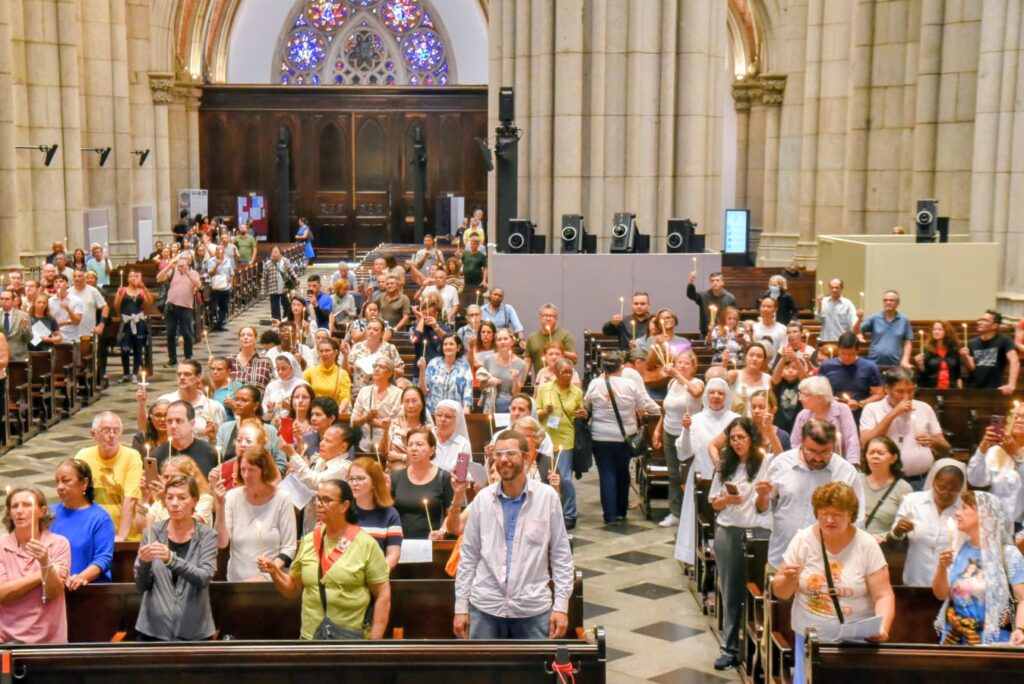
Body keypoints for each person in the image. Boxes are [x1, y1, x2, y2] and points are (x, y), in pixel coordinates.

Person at [453, 429, 573, 640]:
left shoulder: (547, 498)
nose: (503, 460)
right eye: (498, 454)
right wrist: (461, 606)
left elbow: (561, 556)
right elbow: (469, 556)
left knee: (534, 672)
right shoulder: (483, 499)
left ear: (526, 458)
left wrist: (561, 606)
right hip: (486, 606)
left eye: (510, 453)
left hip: (532, 607)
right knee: (484, 672)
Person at [772, 482, 894, 683]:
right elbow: (781, 593)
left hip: (856, 641)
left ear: (850, 515)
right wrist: (788, 579)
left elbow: (883, 595)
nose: (829, 520)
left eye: (837, 514)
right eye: (823, 513)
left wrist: (883, 628)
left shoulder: (866, 544)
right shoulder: (802, 540)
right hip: (811, 639)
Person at [264, 479, 390, 640]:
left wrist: (374, 643)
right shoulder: (309, 541)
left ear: (344, 506)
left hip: (350, 641)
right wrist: (275, 573)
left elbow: (383, 595)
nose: (319, 504)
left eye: (327, 500)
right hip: (310, 639)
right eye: (318, 498)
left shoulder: (366, 544)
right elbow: (294, 589)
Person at [710, 417, 772, 670]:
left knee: (758, 590)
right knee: (731, 590)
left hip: (758, 531)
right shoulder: (726, 463)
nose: (736, 442)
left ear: (752, 438)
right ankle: (730, 647)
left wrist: (763, 496)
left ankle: (761, 646)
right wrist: (726, 500)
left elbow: (764, 507)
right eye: (732, 438)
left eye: (741, 437)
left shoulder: (765, 463)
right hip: (730, 531)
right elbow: (713, 502)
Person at [765, 419, 866, 566]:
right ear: (801, 441)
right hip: (781, 557)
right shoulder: (781, 464)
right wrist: (762, 496)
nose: (818, 458)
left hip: (828, 564)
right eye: (811, 451)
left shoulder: (845, 472)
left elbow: (857, 519)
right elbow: (763, 509)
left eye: (825, 452)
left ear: (834, 445)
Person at [933, 490, 1024, 645]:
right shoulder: (957, 548)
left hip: (991, 641)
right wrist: (941, 568)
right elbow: (941, 595)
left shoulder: (1008, 554)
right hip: (954, 637)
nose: (957, 513)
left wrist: (1021, 629)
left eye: (965, 508)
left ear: (984, 515)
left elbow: (1022, 598)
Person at [134, 475, 218, 641]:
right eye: (170, 497)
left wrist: (171, 560)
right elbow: (141, 585)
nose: (174, 503)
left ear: (194, 501)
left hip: (194, 632)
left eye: (182, 497)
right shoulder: (152, 532)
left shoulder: (208, 535)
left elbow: (204, 578)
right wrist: (143, 563)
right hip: (152, 631)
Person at [585, 351, 660, 524]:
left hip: (600, 436)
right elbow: (644, 404)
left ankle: (610, 515)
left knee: (606, 473)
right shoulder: (630, 385)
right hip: (625, 436)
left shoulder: (595, 384)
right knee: (623, 471)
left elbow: (587, 404)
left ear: (603, 367)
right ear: (621, 367)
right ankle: (621, 511)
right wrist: (659, 410)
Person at [673, 377, 739, 569]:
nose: (716, 396)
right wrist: (685, 431)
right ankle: (693, 554)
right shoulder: (696, 419)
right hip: (701, 474)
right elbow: (684, 452)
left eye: (720, 393)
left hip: (729, 477)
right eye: (712, 392)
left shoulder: (735, 420)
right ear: (706, 396)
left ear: (726, 396)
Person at [212, 445, 297, 582]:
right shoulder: (232, 497)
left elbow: (289, 548)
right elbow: (221, 542)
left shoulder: (282, 499)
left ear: (264, 470)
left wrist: (268, 574)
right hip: (237, 583)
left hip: (272, 583)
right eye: (243, 469)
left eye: (251, 470)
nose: (246, 475)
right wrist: (220, 505)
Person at [0, 487, 71, 643]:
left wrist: (45, 562)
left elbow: (53, 593)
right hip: (6, 640)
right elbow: (3, 594)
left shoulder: (59, 543)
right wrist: (42, 573)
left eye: (26, 505)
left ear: (42, 511)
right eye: (15, 506)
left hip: (48, 641)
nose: (19, 511)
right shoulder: (1, 546)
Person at [859, 368, 949, 490]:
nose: (906, 397)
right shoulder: (872, 409)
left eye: (911, 391)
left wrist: (933, 442)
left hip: (921, 480)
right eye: (899, 391)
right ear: (887, 389)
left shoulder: (925, 408)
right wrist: (893, 414)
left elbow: (945, 448)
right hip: (887, 482)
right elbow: (865, 442)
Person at [646, 351, 704, 528]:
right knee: (673, 474)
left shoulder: (696, 382)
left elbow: (696, 393)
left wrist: (678, 376)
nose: (682, 366)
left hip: (689, 434)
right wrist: (657, 430)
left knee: (687, 473)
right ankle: (676, 512)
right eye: (679, 362)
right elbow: (667, 409)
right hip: (670, 432)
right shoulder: (671, 383)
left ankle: (693, 511)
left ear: (693, 367)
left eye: (687, 363)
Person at [891, 458, 966, 586]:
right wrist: (899, 529)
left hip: (951, 582)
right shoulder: (912, 501)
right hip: (916, 577)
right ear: (933, 483)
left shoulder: (965, 509)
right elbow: (895, 534)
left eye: (953, 490)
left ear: (960, 490)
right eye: (941, 487)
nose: (946, 493)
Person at [74, 412, 142, 542]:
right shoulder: (83, 456)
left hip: (124, 533)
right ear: (93, 434)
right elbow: (77, 496)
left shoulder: (131, 456)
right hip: (92, 532)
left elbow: (130, 499)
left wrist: (122, 536)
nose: (111, 436)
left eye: (116, 431)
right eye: (106, 431)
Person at [536, 358, 588, 528]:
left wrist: (583, 413)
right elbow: (536, 413)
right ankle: (547, 511)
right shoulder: (545, 389)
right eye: (564, 372)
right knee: (546, 477)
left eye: (570, 372)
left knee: (564, 477)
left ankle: (569, 513)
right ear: (556, 373)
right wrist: (545, 411)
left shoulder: (577, 392)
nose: (568, 375)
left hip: (566, 437)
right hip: (547, 438)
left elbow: (582, 412)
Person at [50, 460, 115, 587]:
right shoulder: (50, 514)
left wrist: (81, 577)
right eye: (57, 482)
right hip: (54, 587)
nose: (60, 487)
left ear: (84, 483)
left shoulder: (100, 518)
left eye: (66, 480)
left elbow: (103, 558)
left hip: (87, 589)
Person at [390, 427, 459, 539]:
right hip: (400, 543)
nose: (413, 448)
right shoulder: (396, 477)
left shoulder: (444, 477)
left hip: (432, 543)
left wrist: (442, 531)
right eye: (410, 444)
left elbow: (450, 514)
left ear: (432, 450)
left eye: (419, 444)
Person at [967, 405, 1024, 526]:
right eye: (1016, 416)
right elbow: (976, 481)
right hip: (996, 520)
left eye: (1023, 417)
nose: (1019, 420)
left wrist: (1016, 456)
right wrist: (983, 448)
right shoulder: (996, 451)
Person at [347, 457, 403, 571]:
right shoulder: (343, 511)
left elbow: (393, 554)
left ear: (374, 482)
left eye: (360, 478)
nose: (354, 483)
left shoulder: (390, 514)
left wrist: (377, 575)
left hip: (376, 578)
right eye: (351, 478)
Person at [789, 376, 861, 463]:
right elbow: (794, 444)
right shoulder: (803, 415)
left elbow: (851, 439)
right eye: (800, 395)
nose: (800, 399)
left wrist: (852, 464)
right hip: (810, 465)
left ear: (820, 398)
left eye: (805, 395)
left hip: (838, 465)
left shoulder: (842, 410)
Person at [817, 332, 884, 421]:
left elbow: (879, 394)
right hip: (833, 414)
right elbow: (818, 391)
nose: (847, 357)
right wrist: (831, 399)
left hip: (860, 415)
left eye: (851, 354)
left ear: (857, 350)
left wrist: (860, 404)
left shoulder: (870, 367)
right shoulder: (827, 366)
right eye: (843, 353)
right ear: (838, 349)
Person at [136, 455, 215, 528]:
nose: (169, 481)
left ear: (189, 478)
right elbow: (143, 528)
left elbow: (186, 526)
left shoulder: (204, 499)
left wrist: (165, 500)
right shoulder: (159, 502)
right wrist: (144, 498)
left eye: (175, 477)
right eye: (166, 477)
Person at [155, 360, 227, 439]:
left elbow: (222, 440)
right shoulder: (165, 401)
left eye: (187, 374)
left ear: (198, 377)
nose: (182, 377)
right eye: (179, 374)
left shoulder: (214, 407)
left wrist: (213, 437)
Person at [859, 436, 911, 541]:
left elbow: (905, 525)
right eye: (871, 452)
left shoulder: (903, 488)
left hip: (883, 545)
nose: (875, 456)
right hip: (855, 542)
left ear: (893, 458)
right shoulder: (856, 480)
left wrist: (885, 536)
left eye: (880, 453)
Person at [156, 254, 202, 367]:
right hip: (171, 306)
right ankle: (172, 358)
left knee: (187, 333)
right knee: (170, 333)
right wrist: (169, 265)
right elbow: (159, 278)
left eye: (186, 259)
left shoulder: (193, 273)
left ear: (190, 261)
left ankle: (188, 357)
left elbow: (198, 285)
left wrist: (187, 272)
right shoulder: (173, 272)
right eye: (181, 259)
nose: (183, 261)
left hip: (186, 307)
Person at [351, 357, 404, 453]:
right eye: (375, 366)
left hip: (389, 445)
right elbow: (353, 421)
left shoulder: (399, 394)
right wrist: (366, 417)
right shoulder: (364, 391)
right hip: (364, 445)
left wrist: (378, 423)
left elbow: (401, 423)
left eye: (382, 367)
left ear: (390, 373)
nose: (377, 369)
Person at [152, 400, 219, 474]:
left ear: (192, 424)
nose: (173, 426)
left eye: (179, 421)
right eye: (169, 421)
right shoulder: (157, 455)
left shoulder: (210, 452)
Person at [963, 309, 1020, 394]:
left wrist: (1011, 384)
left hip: (995, 389)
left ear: (994, 325)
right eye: (980, 320)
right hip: (973, 389)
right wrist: (965, 356)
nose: (980, 322)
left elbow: (1014, 360)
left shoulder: (1004, 340)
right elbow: (972, 367)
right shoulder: (972, 342)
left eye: (985, 320)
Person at [855, 290, 913, 368]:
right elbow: (856, 331)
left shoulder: (903, 320)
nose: (888, 302)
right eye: (885, 300)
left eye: (891, 300)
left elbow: (908, 341)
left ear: (897, 303)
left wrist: (905, 359)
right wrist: (859, 319)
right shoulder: (874, 318)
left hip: (895, 364)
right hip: (874, 363)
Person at [380, 385, 433, 470]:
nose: (410, 405)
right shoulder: (394, 424)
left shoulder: (427, 430)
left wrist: (401, 456)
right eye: (406, 401)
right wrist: (385, 430)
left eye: (414, 401)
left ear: (422, 404)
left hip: (418, 475)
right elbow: (383, 452)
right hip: (393, 475)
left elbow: (427, 459)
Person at [114, 269, 152, 383]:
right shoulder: (123, 290)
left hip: (139, 322)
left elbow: (149, 302)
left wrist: (144, 288)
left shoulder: (141, 291)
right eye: (131, 276)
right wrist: (119, 294)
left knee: (138, 349)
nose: (134, 278)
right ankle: (126, 373)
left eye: (136, 276)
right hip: (126, 323)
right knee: (124, 349)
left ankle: (135, 373)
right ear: (127, 279)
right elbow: (116, 306)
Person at [347, 318, 403, 396]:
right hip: (360, 392)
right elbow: (348, 370)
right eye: (369, 329)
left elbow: (401, 371)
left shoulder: (390, 348)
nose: (371, 331)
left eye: (375, 330)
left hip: (384, 392)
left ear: (382, 333)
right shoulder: (356, 347)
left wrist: (387, 369)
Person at [420, 334, 473, 414]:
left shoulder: (464, 366)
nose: (448, 347)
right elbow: (423, 391)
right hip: (434, 412)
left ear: (458, 348)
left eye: (451, 344)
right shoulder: (434, 363)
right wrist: (421, 370)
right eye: (445, 344)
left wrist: (466, 407)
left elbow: (468, 389)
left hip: (455, 414)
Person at [480, 328, 526, 413]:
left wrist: (515, 379)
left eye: (505, 339)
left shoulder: (521, 364)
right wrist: (489, 381)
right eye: (499, 339)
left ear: (512, 341)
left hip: (509, 405)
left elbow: (516, 394)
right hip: (491, 402)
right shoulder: (488, 360)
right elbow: (481, 386)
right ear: (496, 343)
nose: (502, 342)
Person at [524, 304, 577, 375]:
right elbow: (527, 361)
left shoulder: (565, 335)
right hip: (542, 381)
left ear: (556, 318)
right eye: (545, 316)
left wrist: (559, 352)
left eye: (551, 316)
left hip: (561, 381)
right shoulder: (532, 337)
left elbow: (574, 358)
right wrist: (521, 380)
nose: (548, 318)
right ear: (540, 318)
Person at [303, 337, 352, 412]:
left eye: (327, 350)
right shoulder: (310, 372)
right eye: (321, 351)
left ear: (335, 352)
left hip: (334, 413)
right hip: (314, 413)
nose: (324, 354)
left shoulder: (342, 374)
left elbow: (345, 398)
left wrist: (338, 413)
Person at [915, 320, 965, 389]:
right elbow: (923, 373)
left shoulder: (954, 349)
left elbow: (958, 371)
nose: (936, 332)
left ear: (947, 332)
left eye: (940, 330)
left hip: (951, 388)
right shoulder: (927, 350)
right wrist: (920, 364)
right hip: (931, 388)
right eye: (934, 329)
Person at [687, 269, 737, 337]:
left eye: (717, 280)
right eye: (712, 281)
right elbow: (691, 295)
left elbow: (733, 316)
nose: (715, 282)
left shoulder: (730, 298)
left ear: (722, 282)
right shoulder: (703, 296)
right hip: (706, 333)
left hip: (724, 332)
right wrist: (691, 282)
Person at [432, 399, 473, 474]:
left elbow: (463, 475)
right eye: (439, 415)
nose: (442, 419)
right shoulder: (425, 437)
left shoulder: (463, 444)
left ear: (457, 419)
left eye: (448, 416)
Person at [228, 326, 275, 391]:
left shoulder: (265, 361)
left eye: (249, 335)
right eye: (242, 335)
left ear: (255, 339)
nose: (245, 337)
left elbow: (273, 385)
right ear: (239, 339)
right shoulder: (230, 360)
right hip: (233, 400)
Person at [263, 352, 309, 418]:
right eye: (278, 369)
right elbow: (264, 417)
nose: (280, 372)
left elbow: (308, 412)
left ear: (292, 367)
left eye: (284, 369)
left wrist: (289, 407)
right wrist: (270, 411)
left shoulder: (302, 385)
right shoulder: (271, 386)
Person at [264, 246, 299, 322]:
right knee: (274, 308)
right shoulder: (268, 264)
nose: (274, 253)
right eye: (273, 251)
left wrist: (296, 282)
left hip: (285, 289)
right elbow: (264, 278)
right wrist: (263, 290)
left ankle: (285, 321)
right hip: (273, 289)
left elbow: (291, 272)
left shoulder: (285, 261)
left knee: (287, 306)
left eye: (276, 251)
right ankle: (276, 323)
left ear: (280, 252)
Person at [205, 245, 234, 331]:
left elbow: (231, 273)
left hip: (226, 287)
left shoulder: (227, 260)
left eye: (221, 250)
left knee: (224, 306)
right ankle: (211, 322)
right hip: (216, 287)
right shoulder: (211, 261)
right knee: (213, 306)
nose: (219, 252)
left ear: (223, 252)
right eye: (218, 250)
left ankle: (220, 324)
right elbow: (210, 273)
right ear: (215, 252)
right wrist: (217, 265)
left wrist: (231, 284)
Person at [47, 273, 83, 341]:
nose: (58, 284)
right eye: (56, 282)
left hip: (72, 338)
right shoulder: (50, 301)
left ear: (66, 284)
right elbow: (49, 323)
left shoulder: (76, 300)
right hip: (56, 338)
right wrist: (68, 321)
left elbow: (77, 321)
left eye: (61, 281)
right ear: (53, 285)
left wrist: (68, 309)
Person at [1, 289, 31, 362]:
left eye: (7, 299)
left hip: (18, 358)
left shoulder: (23, 316)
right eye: (1, 299)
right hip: (1, 358)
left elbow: (28, 338)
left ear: (13, 301)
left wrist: (24, 328)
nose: (3, 301)